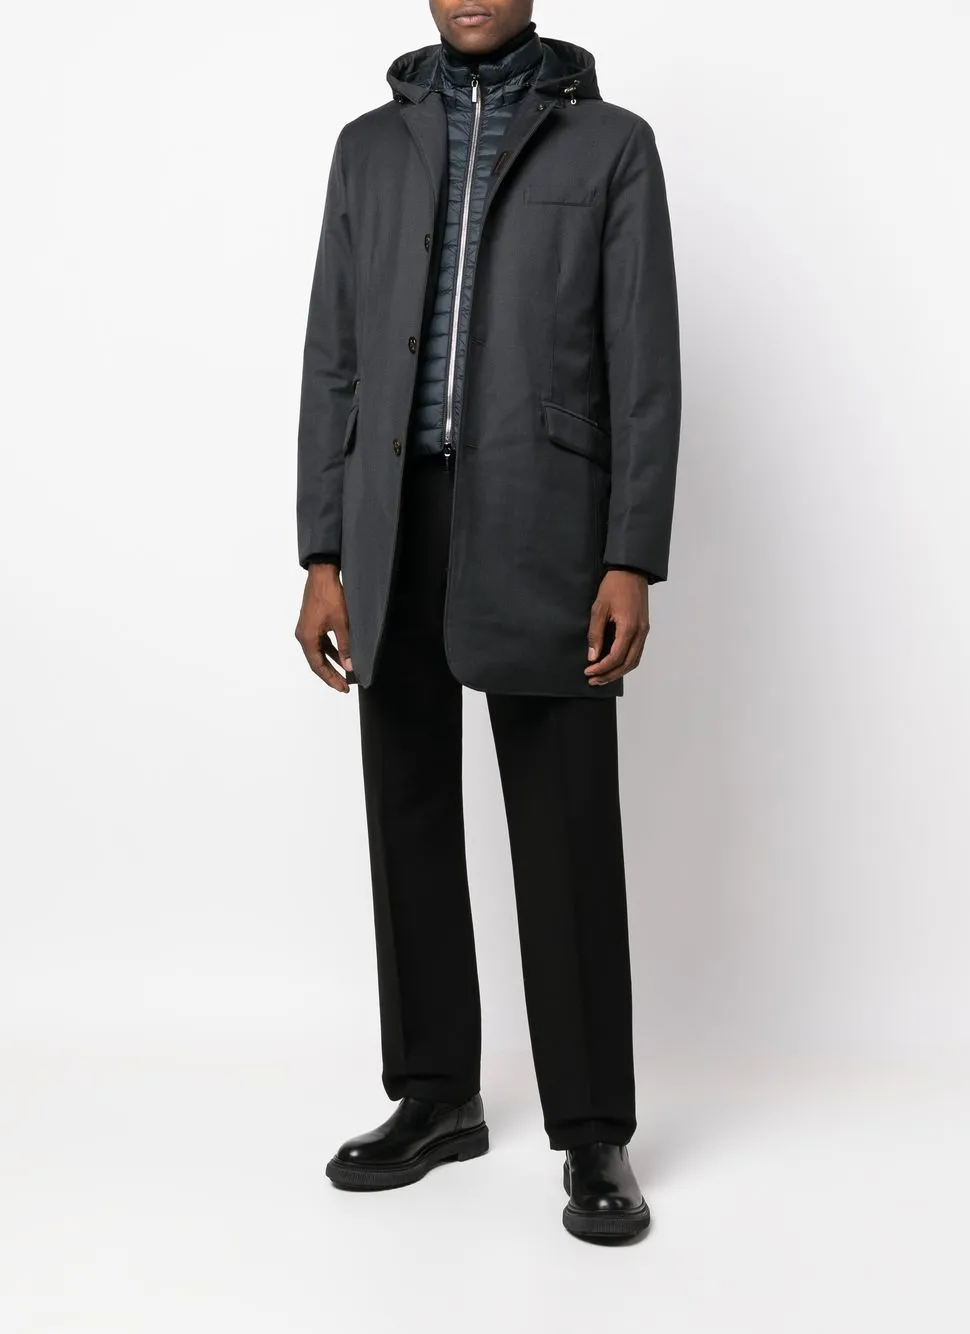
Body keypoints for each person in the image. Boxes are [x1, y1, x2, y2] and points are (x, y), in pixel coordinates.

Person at [294, 0, 681, 1244]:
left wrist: (629, 554)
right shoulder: (366, 147)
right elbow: (333, 355)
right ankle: (434, 1094)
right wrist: (321, 550)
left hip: (543, 516)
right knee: (406, 804)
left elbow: (644, 361)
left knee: (564, 825)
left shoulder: (609, 144)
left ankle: (594, 1129)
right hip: (389, 518)